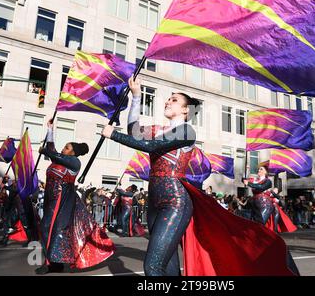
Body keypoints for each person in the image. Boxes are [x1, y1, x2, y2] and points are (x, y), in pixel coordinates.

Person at [102, 77, 298, 276]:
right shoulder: (159, 130)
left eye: (174, 100)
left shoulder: (187, 131)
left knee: (152, 267)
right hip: (154, 202)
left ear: (186, 110)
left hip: (175, 202)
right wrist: (136, 96)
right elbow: (134, 132)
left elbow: (150, 146)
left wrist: (113, 135)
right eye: (168, 99)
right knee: (167, 268)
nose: (168, 101)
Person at [35, 120, 115, 274]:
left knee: (51, 228)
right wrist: (50, 130)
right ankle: (56, 261)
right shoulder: (58, 159)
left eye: (67, 147)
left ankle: (51, 263)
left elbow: (53, 153)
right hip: (50, 199)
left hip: (62, 200)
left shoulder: (74, 162)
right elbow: (53, 150)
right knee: (47, 228)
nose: (63, 149)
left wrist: (45, 151)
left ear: (73, 152)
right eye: (64, 147)